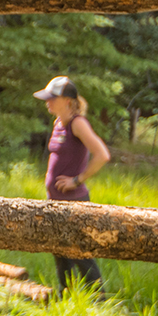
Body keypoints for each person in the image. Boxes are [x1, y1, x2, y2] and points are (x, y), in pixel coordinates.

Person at [35, 75, 111, 296]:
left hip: (74, 201)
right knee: (60, 251)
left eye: (52, 98)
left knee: (80, 251)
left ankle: (99, 298)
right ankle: (65, 294)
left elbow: (102, 155)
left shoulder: (78, 123)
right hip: (56, 200)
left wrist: (77, 180)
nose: (47, 102)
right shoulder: (59, 122)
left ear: (68, 101)